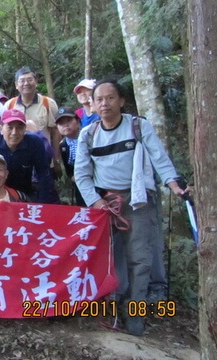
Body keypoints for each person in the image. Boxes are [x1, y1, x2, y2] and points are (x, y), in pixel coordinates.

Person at [74, 79, 186, 336]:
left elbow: (159, 158)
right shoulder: (88, 134)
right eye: (99, 99)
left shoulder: (138, 126)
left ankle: (136, 314)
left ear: (121, 101)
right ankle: (112, 307)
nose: (104, 104)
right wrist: (96, 201)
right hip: (105, 204)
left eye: (110, 98)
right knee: (110, 258)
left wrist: (174, 183)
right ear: (92, 103)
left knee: (140, 259)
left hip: (138, 200)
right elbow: (81, 175)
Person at [0, 109, 56, 203]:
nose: (14, 132)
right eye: (10, 127)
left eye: (19, 127)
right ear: (1, 128)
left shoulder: (35, 143)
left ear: (25, 129)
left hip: (22, 195)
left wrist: (42, 204)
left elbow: (44, 174)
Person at [3, 67, 61, 177]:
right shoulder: (9, 105)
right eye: (22, 80)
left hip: (43, 157)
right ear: (16, 84)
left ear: (36, 82)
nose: (26, 83)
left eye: (30, 79)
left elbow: (55, 132)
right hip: (17, 159)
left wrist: (56, 159)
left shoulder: (47, 103)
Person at [55, 106, 85, 206]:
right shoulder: (63, 145)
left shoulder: (87, 137)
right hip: (79, 184)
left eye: (69, 120)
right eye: (61, 123)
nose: (65, 125)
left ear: (77, 121)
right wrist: (73, 177)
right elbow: (68, 169)